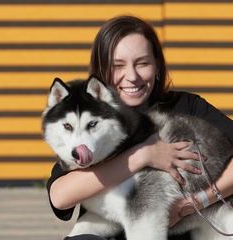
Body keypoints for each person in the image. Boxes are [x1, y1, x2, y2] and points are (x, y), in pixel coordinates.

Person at [47, 15, 233, 240]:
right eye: (118, 66)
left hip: (202, 223)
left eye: (142, 63)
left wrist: (192, 204)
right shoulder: (92, 122)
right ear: (102, 71)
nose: (132, 76)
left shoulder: (187, 106)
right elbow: (60, 196)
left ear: (156, 67)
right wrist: (144, 155)